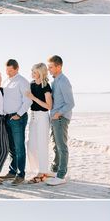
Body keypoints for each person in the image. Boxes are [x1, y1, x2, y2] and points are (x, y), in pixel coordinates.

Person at [1, 59, 32, 185]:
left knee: (19, 147)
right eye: (7, 70)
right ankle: (12, 171)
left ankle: (21, 174)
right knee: (11, 147)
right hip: (6, 117)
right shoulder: (6, 81)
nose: (8, 73)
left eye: (10, 70)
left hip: (17, 118)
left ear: (17, 68)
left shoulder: (22, 81)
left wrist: (18, 115)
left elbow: (28, 100)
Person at [46, 55, 74, 186]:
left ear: (59, 66)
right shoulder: (55, 81)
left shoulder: (63, 81)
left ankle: (61, 175)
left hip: (61, 119)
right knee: (56, 146)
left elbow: (70, 103)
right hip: (55, 118)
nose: (48, 69)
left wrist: (58, 114)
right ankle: (56, 171)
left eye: (51, 67)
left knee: (61, 147)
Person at [26, 63, 52, 183]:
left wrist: (34, 98)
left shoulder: (46, 86)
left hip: (42, 116)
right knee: (31, 145)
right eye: (32, 71)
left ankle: (42, 172)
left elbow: (48, 106)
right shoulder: (31, 84)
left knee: (42, 144)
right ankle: (37, 169)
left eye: (34, 72)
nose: (32, 73)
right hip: (33, 116)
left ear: (41, 73)